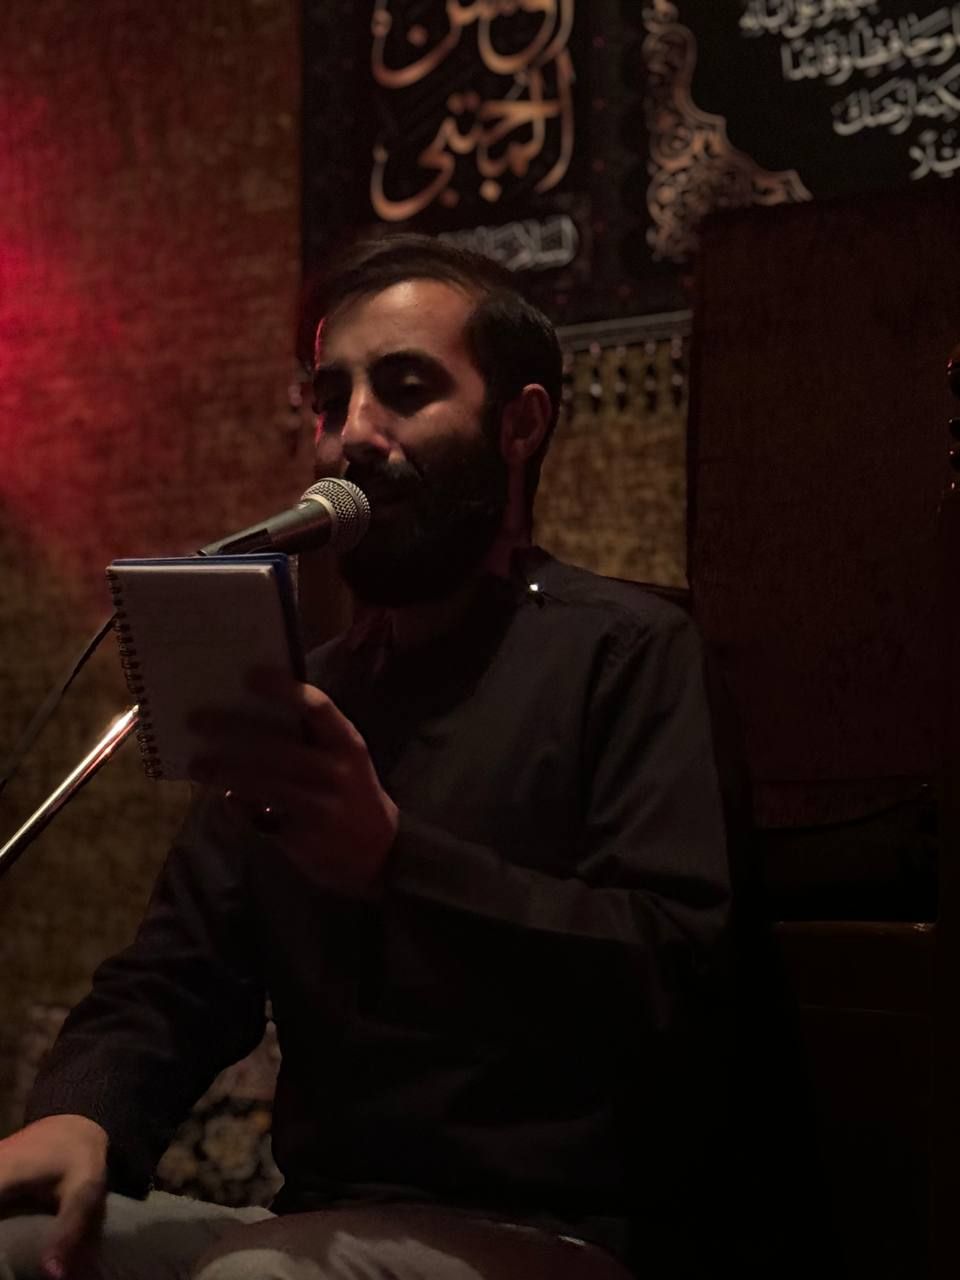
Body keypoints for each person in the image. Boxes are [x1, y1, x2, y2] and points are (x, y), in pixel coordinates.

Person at [0, 235, 733, 1279]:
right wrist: (83, 1112)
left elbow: (673, 974)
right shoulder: (307, 689)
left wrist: (395, 863)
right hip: (315, 1218)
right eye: (329, 398)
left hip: (559, 1230)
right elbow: (175, 974)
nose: (352, 435)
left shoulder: (627, 654)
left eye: (406, 389)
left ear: (520, 424)